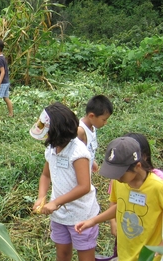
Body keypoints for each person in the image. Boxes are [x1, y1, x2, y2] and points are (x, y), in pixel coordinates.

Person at [30, 102, 99, 261]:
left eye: (48, 133)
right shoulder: (52, 148)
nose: (46, 137)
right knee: (62, 254)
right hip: (60, 215)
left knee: (86, 256)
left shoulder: (78, 152)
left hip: (81, 215)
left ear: (57, 132)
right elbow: (46, 175)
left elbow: (84, 186)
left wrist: (56, 202)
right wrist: (42, 197)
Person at [75, 137, 163, 261]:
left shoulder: (157, 187)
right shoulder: (119, 182)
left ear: (138, 166)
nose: (117, 177)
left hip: (148, 256)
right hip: (124, 253)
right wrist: (93, 221)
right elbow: (120, 206)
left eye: (120, 173)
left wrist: (160, 248)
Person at [77, 95, 113, 171]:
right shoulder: (80, 131)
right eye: (104, 120)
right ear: (91, 116)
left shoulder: (92, 127)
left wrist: (92, 161)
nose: (105, 123)